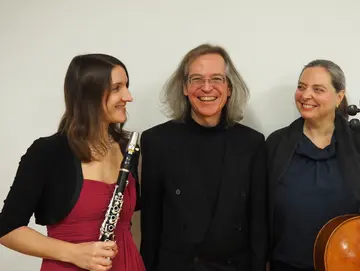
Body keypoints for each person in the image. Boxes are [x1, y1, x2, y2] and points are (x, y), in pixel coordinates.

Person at [0, 54, 145, 271]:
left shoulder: (128, 148)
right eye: (117, 88)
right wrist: (76, 253)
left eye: (126, 86)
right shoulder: (47, 152)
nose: (128, 96)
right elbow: (7, 229)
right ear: (89, 94)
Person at [139, 43, 268, 271]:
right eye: (196, 79)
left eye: (216, 79)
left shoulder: (252, 143)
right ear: (184, 88)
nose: (206, 88)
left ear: (229, 88)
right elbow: (150, 225)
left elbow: (258, 224)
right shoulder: (156, 141)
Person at [266, 59, 360, 271]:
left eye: (318, 89)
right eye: (301, 87)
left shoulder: (357, 143)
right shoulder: (276, 143)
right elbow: (260, 211)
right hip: (285, 266)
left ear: (339, 97)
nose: (306, 95)